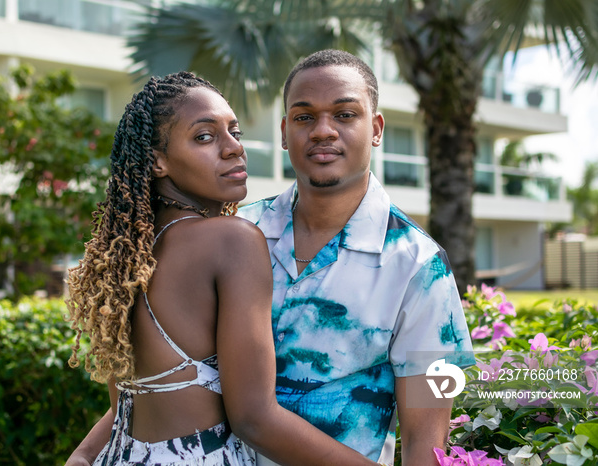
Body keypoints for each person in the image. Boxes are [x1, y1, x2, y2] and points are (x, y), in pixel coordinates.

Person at [64, 71, 375, 466]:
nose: (233, 149)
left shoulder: (129, 257)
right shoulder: (233, 240)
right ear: (157, 160)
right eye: (205, 137)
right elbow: (254, 420)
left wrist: (81, 455)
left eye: (235, 132)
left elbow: (132, 399)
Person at [238, 49, 475, 466]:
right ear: (283, 131)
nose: (322, 131)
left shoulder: (420, 266)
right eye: (304, 117)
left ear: (377, 128)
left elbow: (426, 442)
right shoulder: (237, 233)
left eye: (345, 114)